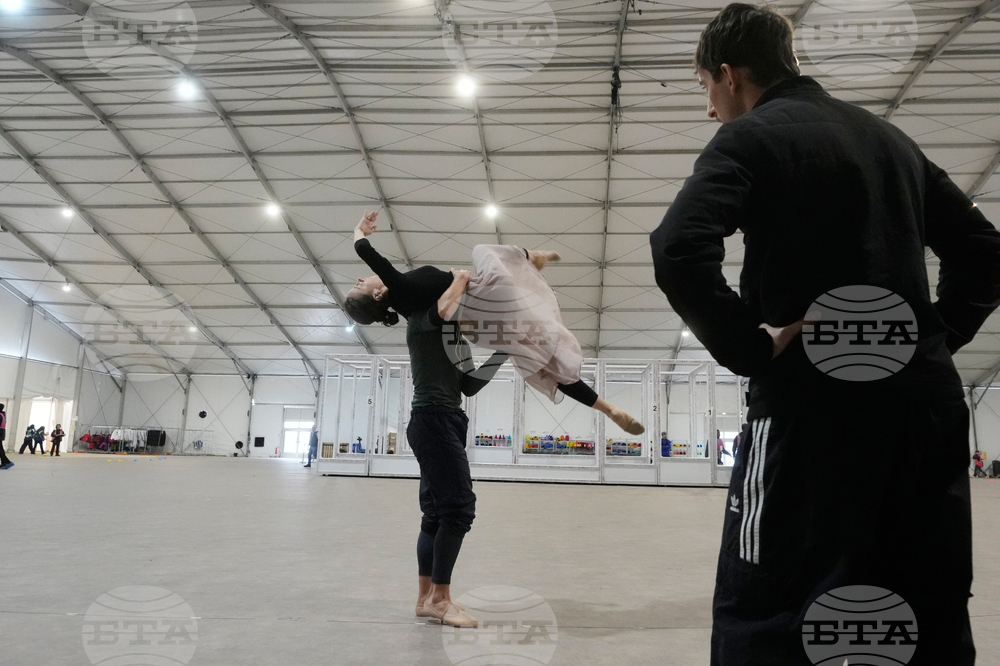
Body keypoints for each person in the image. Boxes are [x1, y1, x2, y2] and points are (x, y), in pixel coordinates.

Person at [650, 4, 1000, 664]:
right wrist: (934, 340)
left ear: (728, 75)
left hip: (811, 411)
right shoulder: (889, 140)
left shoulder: (751, 138)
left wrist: (750, 348)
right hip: (923, 413)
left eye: (704, 89)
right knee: (924, 595)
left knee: (772, 599)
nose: (708, 109)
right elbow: (985, 250)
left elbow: (678, 247)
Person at [346, 211, 644, 435]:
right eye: (358, 285)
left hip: (477, 323)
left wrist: (504, 349)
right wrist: (360, 230)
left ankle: (608, 409)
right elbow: (365, 251)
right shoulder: (400, 289)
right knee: (483, 251)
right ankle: (533, 256)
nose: (359, 278)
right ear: (375, 294)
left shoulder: (412, 312)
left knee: (541, 359)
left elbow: (464, 375)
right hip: (483, 295)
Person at [407, 273, 509, 628]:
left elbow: (468, 386)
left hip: (445, 420)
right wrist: (463, 279)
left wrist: (503, 351)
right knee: (458, 510)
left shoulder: (455, 338)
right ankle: (440, 598)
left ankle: (425, 599)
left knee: (435, 513)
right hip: (433, 420)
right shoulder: (421, 321)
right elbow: (446, 301)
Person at [0, 404, 12, 470]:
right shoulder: (3, 415)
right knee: (0, 448)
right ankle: (4, 462)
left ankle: (7, 462)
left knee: (0, 449)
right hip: (2, 432)